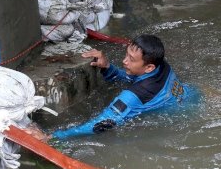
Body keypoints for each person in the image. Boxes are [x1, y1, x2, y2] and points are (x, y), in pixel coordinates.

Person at [49, 35, 192, 140]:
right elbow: (133, 77)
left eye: (131, 59)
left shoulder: (132, 97)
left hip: (182, 120)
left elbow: (102, 124)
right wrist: (107, 67)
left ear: (149, 67)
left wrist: (54, 136)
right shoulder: (161, 65)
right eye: (126, 55)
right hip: (190, 97)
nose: (124, 61)